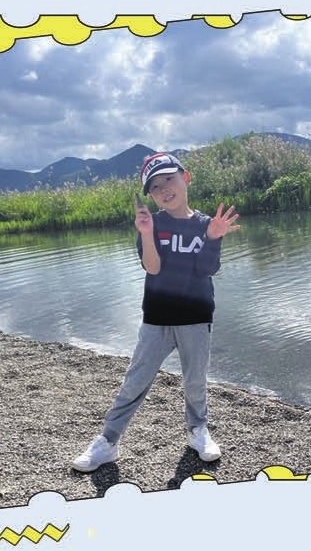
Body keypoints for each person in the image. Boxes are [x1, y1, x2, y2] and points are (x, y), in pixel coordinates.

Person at [71, 152, 241, 472]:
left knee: (195, 382)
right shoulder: (153, 223)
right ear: (150, 195)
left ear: (185, 178)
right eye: (155, 187)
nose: (164, 190)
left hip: (196, 316)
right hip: (157, 318)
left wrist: (213, 238)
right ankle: (108, 441)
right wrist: (147, 233)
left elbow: (207, 269)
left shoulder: (205, 224)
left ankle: (198, 431)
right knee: (135, 381)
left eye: (169, 180)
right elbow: (153, 267)